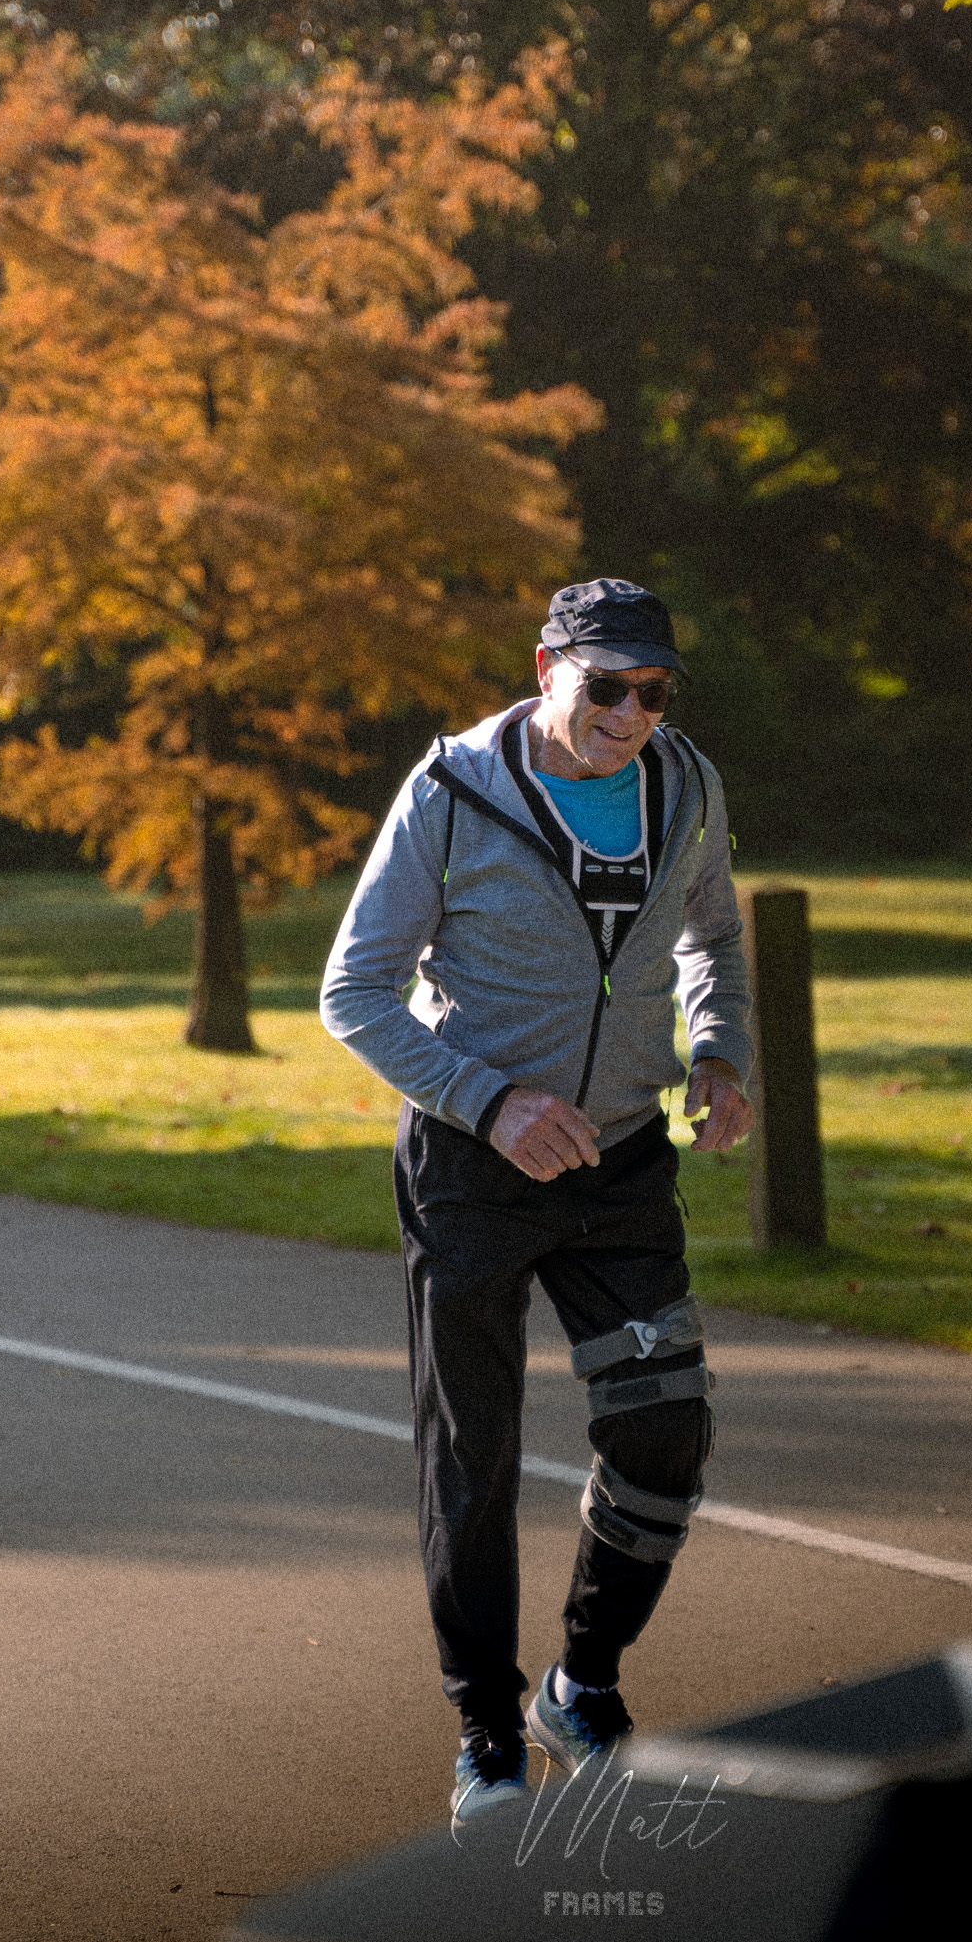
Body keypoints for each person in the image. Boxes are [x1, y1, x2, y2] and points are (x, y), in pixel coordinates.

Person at [320, 578, 754, 1823]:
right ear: (545, 666)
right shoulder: (453, 791)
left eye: (653, 691)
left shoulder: (687, 783)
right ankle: (486, 1730)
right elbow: (354, 990)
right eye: (607, 684)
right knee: (475, 1457)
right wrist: (490, 1100)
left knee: (665, 1428)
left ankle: (583, 1683)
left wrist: (720, 1051)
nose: (631, 714)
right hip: (474, 1170)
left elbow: (714, 938)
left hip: (620, 1162)